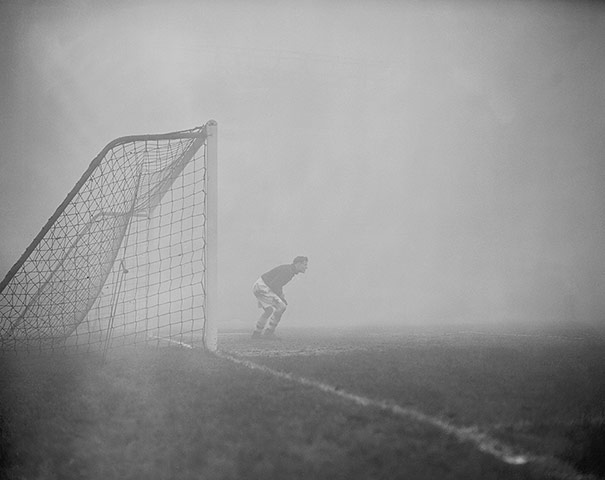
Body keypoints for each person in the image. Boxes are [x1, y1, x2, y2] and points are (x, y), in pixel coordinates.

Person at [251, 256, 308, 339]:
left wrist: (281, 295)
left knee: (268, 310)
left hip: (258, 286)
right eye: (305, 264)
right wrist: (281, 296)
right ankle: (269, 332)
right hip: (263, 287)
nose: (306, 267)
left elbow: (277, 284)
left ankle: (256, 333)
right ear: (298, 264)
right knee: (282, 307)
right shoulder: (288, 272)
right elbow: (274, 285)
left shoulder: (288, 270)